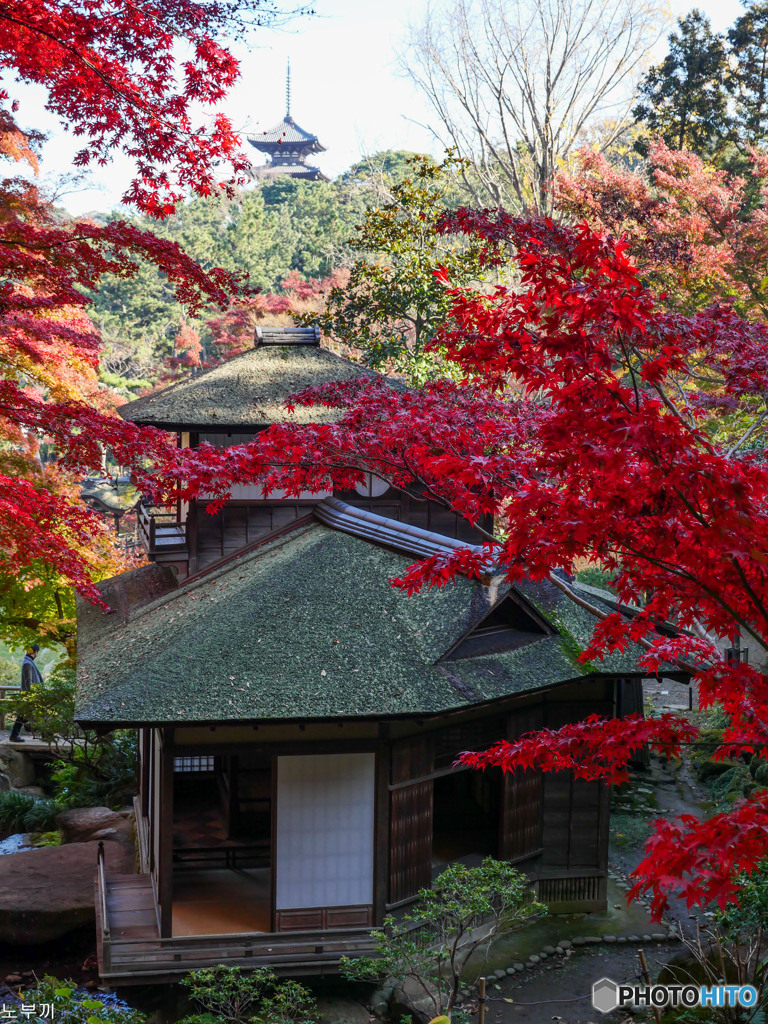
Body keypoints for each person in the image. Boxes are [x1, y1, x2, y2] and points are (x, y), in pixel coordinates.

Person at [9, 644, 42, 742]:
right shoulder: (28, 663)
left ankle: (15, 735)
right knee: (24, 716)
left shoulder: (28, 662)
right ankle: (14, 735)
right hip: (29, 695)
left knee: (23, 716)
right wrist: (30, 696)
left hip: (28, 695)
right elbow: (28, 681)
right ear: (35, 652)